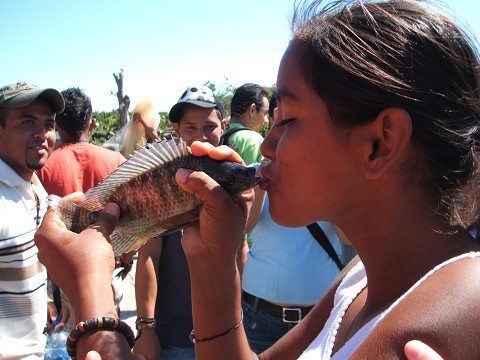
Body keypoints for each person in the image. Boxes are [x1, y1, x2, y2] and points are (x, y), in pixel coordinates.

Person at [34, 0, 480, 359]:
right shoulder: (360, 279)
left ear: (379, 144)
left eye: (287, 119)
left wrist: (91, 302)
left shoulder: (454, 318)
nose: (266, 146)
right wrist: (212, 257)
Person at [133, 85, 249, 360]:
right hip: (172, 335)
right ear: (176, 130)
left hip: (222, 328)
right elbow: (148, 255)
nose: (202, 136)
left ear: (223, 125)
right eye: (191, 128)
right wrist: (147, 328)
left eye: (209, 126)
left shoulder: (230, 174)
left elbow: (240, 248)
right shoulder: (166, 178)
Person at [36, 87, 132, 327]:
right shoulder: (116, 162)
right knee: (108, 339)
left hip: (61, 277)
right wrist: (126, 261)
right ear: (92, 124)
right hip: (107, 270)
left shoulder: (42, 166)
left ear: (57, 126)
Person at [0, 82, 64, 359]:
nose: (42, 135)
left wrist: (47, 298)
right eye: (27, 122)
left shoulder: (33, 186)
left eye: (48, 124)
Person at [222, 83, 269, 165]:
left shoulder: (218, 132)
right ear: (252, 109)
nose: (266, 120)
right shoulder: (254, 140)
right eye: (264, 113)